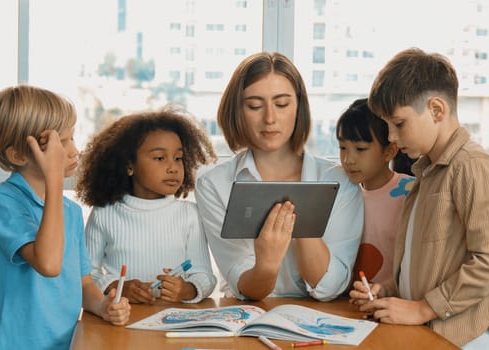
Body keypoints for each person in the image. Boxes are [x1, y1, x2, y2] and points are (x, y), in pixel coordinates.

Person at [349, 48, 489, 349]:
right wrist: (388, 290)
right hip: (435, 332)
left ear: (436, 110)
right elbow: (427, 262)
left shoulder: (473, 167)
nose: (391, 136)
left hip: (471, 337)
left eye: (398, 124)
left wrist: (423, 309)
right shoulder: (427, 174)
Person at [195, 51, 364, 301]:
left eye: (282, 104)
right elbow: (244, 286)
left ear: (299, 107)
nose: (270, 118)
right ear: (237, 111)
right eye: (254, 106)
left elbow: (331, 287)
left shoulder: (340, 183)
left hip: (322, 322)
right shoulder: (214, 185)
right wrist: (267, 263)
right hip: (249, 319)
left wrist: (304, 221)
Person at [0, 85, 131, 349]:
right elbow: (48, 264)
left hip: (64, 343)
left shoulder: (69, 211)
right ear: (17, 154)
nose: (73, 151)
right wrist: (54, 178)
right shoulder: (3, 201)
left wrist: (103, 305)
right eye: (60, 143)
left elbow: (82, 283)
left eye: (71, 139)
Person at [75, 107, 218, 304]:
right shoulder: (104, 213)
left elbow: (204, 275)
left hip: (173, 320)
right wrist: (116, 286)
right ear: (129, 166)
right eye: (160, 158)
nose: (173, 167)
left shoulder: (190, 214)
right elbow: (85, 274)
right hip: (118, 319)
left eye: (178, 158)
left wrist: (187, 289)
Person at [336, 98, 415, 289]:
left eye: (360, 149)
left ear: (389, 151)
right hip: (348, 301)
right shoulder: (341, 193)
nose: (348, 159)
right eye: (342, 147)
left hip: (393, 302)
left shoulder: (410, 192)